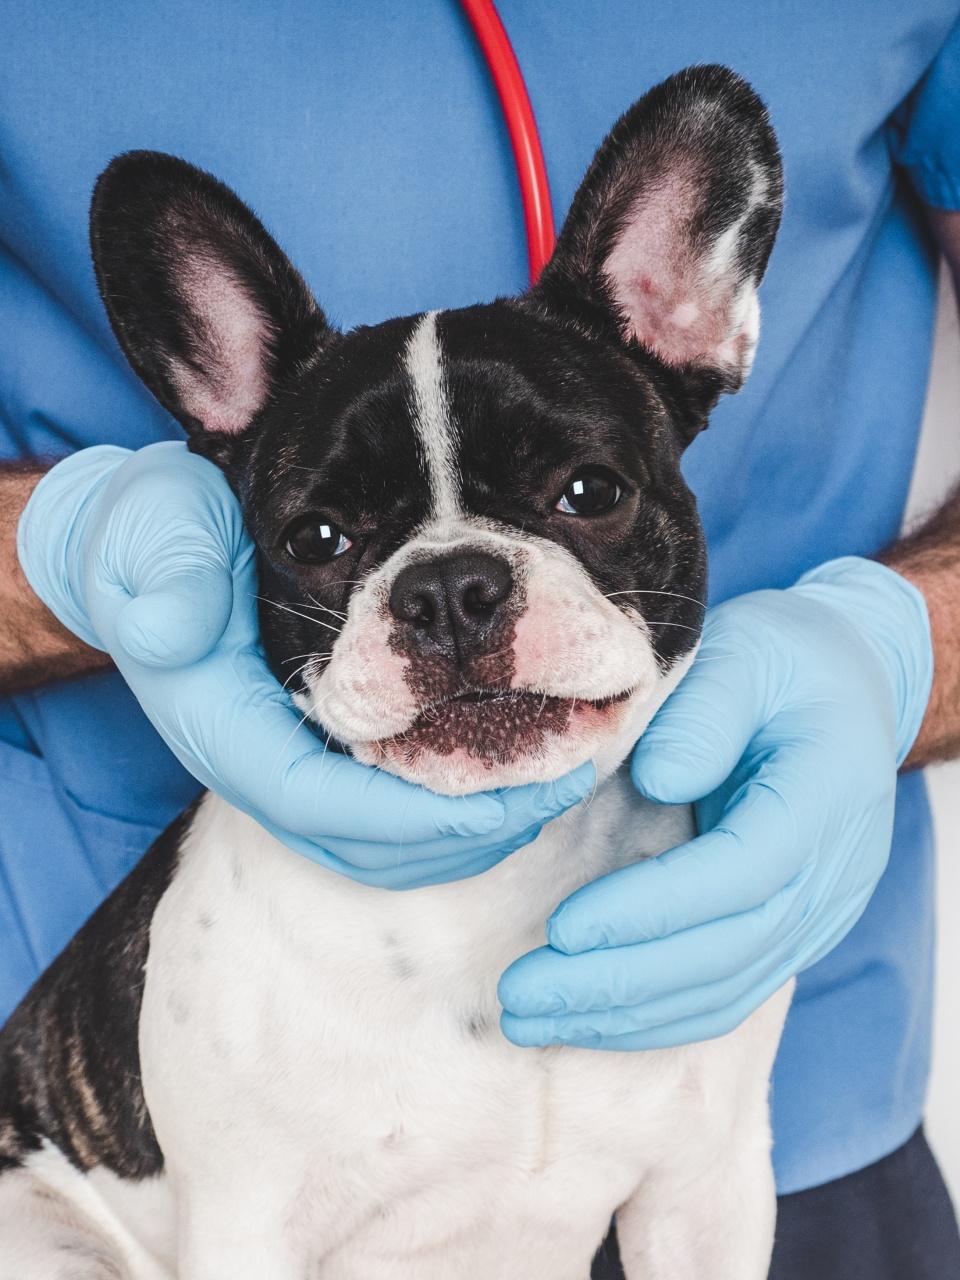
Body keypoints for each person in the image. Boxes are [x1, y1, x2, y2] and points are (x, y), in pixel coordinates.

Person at [2, 3, 960, 1276]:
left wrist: (900, 654)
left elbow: (708, 1188)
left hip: (837, 1093)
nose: (453, 604)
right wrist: (65, 544)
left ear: (700, 324)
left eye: (584, 493)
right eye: (327, 539)